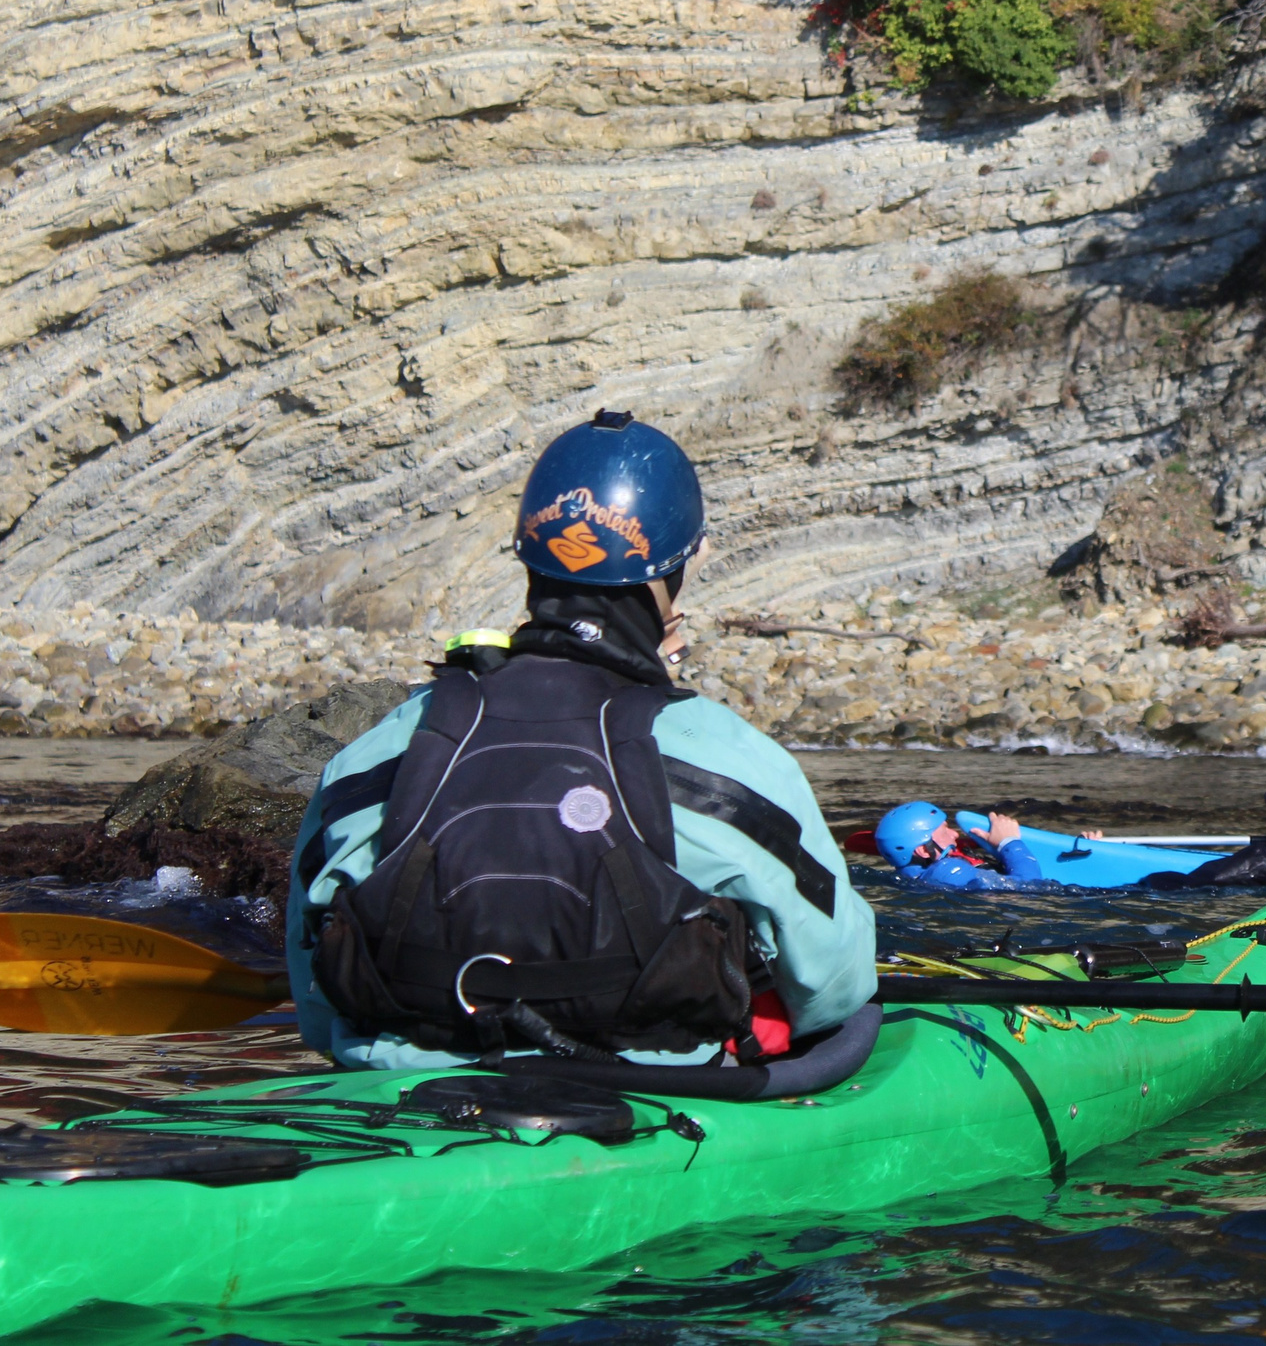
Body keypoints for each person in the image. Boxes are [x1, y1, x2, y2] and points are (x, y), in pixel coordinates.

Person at [286, 410, 879, 1081]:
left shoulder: (379, 749)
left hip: (392, 1085)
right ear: (675, 570)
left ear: (529, 559)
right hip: (645, 1093)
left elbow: (313, 999)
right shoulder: (729, 758)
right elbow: (837, 984)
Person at [874, 788, 1266, 890]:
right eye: (943, 830)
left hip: (1077, 892)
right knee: (1185, 883)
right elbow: (1027, 889)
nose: (952, 831)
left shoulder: (942, 865)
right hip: (1075, 904)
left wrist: (1088, 854)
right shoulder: (948, 870)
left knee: (1181, 878)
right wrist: (1011, 843)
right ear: (922, 847)